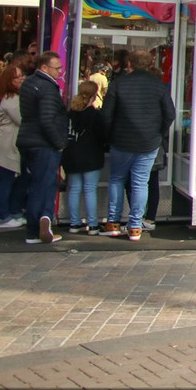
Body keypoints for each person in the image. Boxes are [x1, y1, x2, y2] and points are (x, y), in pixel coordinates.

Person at [100, 51, 175, 241]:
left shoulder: (118, 84)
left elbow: (106, 115)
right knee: (140, 182)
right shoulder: (158, 85)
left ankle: (113, 223)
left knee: (117, 179)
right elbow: (170, 114)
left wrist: (108, 136)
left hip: (121, 140)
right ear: (150, 64)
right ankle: (135, 226)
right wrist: (158, 133)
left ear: (129, 64)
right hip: (149, 141)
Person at [16, 51, 68, 245]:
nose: (60, 72)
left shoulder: (28, 83)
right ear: (44, 67)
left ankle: (38, 224)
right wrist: (59, 143)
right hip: (44, 143)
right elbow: (47, 120)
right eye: (57, 68)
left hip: (28, 140)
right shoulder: (47, 88)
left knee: (37, 183)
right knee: (44, 184)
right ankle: (40, 223)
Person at [63, 80, 107, 235]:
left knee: (74, 189)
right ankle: (93, 225)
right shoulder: (95, 115)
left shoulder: (70, 114)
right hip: (91, 155)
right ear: (95, 96)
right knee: (90, 190)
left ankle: (74, 223)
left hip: (72, 155)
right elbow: (103, 136)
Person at [0, 65, 28, 230]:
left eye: (22, 75)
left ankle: (13, 212)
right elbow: (22, 119)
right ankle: (0, 216)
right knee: (4, 182)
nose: (22, 78)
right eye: (17, 77)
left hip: (12, 146)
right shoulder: (11, 99)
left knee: (15, 182)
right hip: (5, 147)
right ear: (9, 81)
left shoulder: (15, 97)